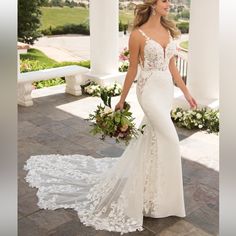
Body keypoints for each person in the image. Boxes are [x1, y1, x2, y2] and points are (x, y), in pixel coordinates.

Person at [23, 0, 198, 235]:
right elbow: (133, 69)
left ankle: (154, 196)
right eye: (165, 0)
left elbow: (173, 68)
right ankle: (160, 197)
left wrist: (186, 93)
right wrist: (121, 99)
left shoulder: (168, 30)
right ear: (153, 4)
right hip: (148, 92)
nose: (169, 4)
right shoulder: (138, 35)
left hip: (165, 89)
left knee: (154, 140)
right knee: (171, 140)